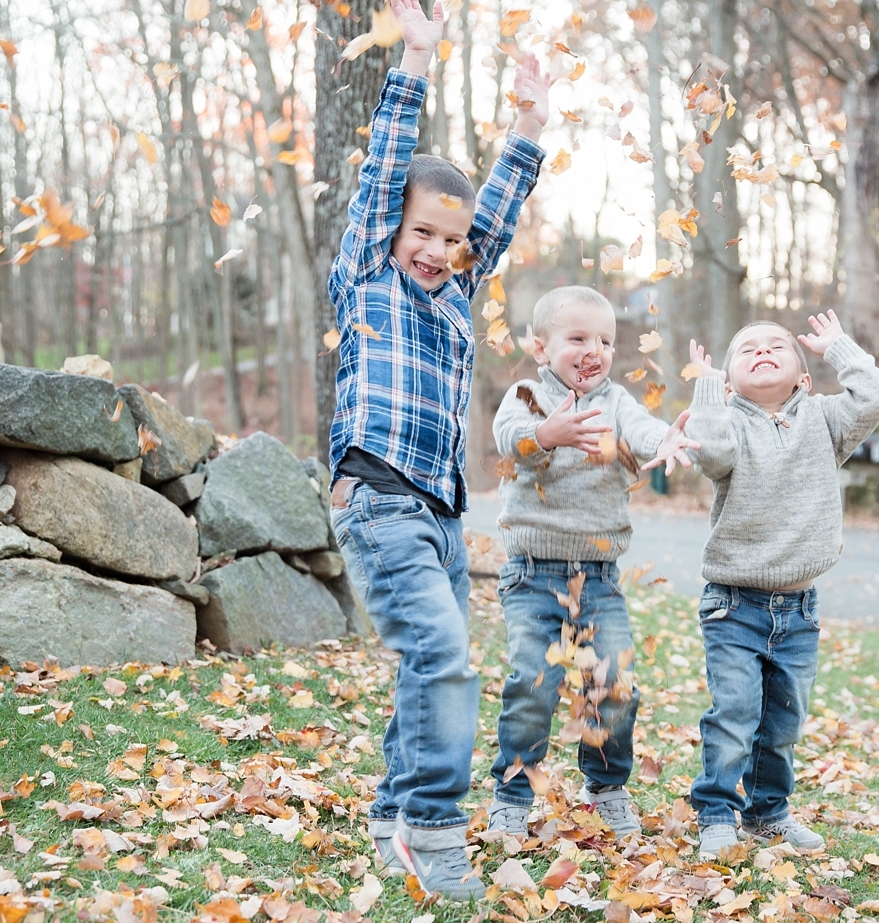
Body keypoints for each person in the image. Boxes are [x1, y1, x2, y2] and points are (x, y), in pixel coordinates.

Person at [324, 0, 548, 899]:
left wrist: (529, 122)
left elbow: (497, 206)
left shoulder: (455, 290)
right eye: (422, 232)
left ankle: (391, 813)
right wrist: (415, 60)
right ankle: (432, 824)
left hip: (439, 509)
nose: (437, 249)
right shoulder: (368, 268)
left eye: (451, 241)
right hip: (377, 495)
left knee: (434, 662)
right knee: (447, 657)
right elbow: (386, 171)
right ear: (393, 232)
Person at [486, 285, 698, 839]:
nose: (593, 350)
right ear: (541, 347)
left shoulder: (615, 401)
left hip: (599, 577)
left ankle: (605, 785)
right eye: (577, 337)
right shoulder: (528, 393)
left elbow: (642, 428)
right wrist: (544, 434)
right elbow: (508, 439)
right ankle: (513, 791)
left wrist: (665, 439)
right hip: (534, 573)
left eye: (605, 340)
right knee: (534, 682)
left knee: (613, 682)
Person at [681, 310, 879, 859]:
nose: (763, 350)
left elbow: (875, 400)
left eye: (777, 344)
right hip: (734, 604)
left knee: (782, 724)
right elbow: (713, 456)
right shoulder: (725, 419)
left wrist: (839, 347)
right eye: (747, 348)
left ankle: (768, 814)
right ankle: (716, 815)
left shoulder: (825, 422)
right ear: (729, 380)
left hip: (799, 609)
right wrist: (707, 392)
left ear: (803, 375)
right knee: (734, 714)